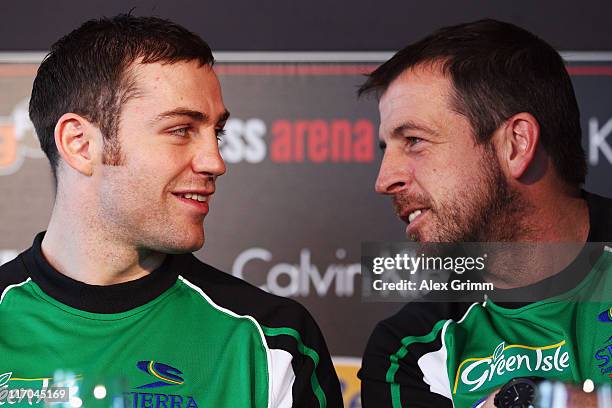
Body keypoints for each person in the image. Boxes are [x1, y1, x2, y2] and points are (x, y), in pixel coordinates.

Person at [0, 15, 342, 408]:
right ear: (80, 144)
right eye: (181, 130)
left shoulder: (272, 339)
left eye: (218, 133)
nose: (215, 161)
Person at [357, 19, 612, 408]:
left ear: (516, 144)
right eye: (385, 149)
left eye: (414, 141)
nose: (384, 180)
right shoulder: (407, 351)